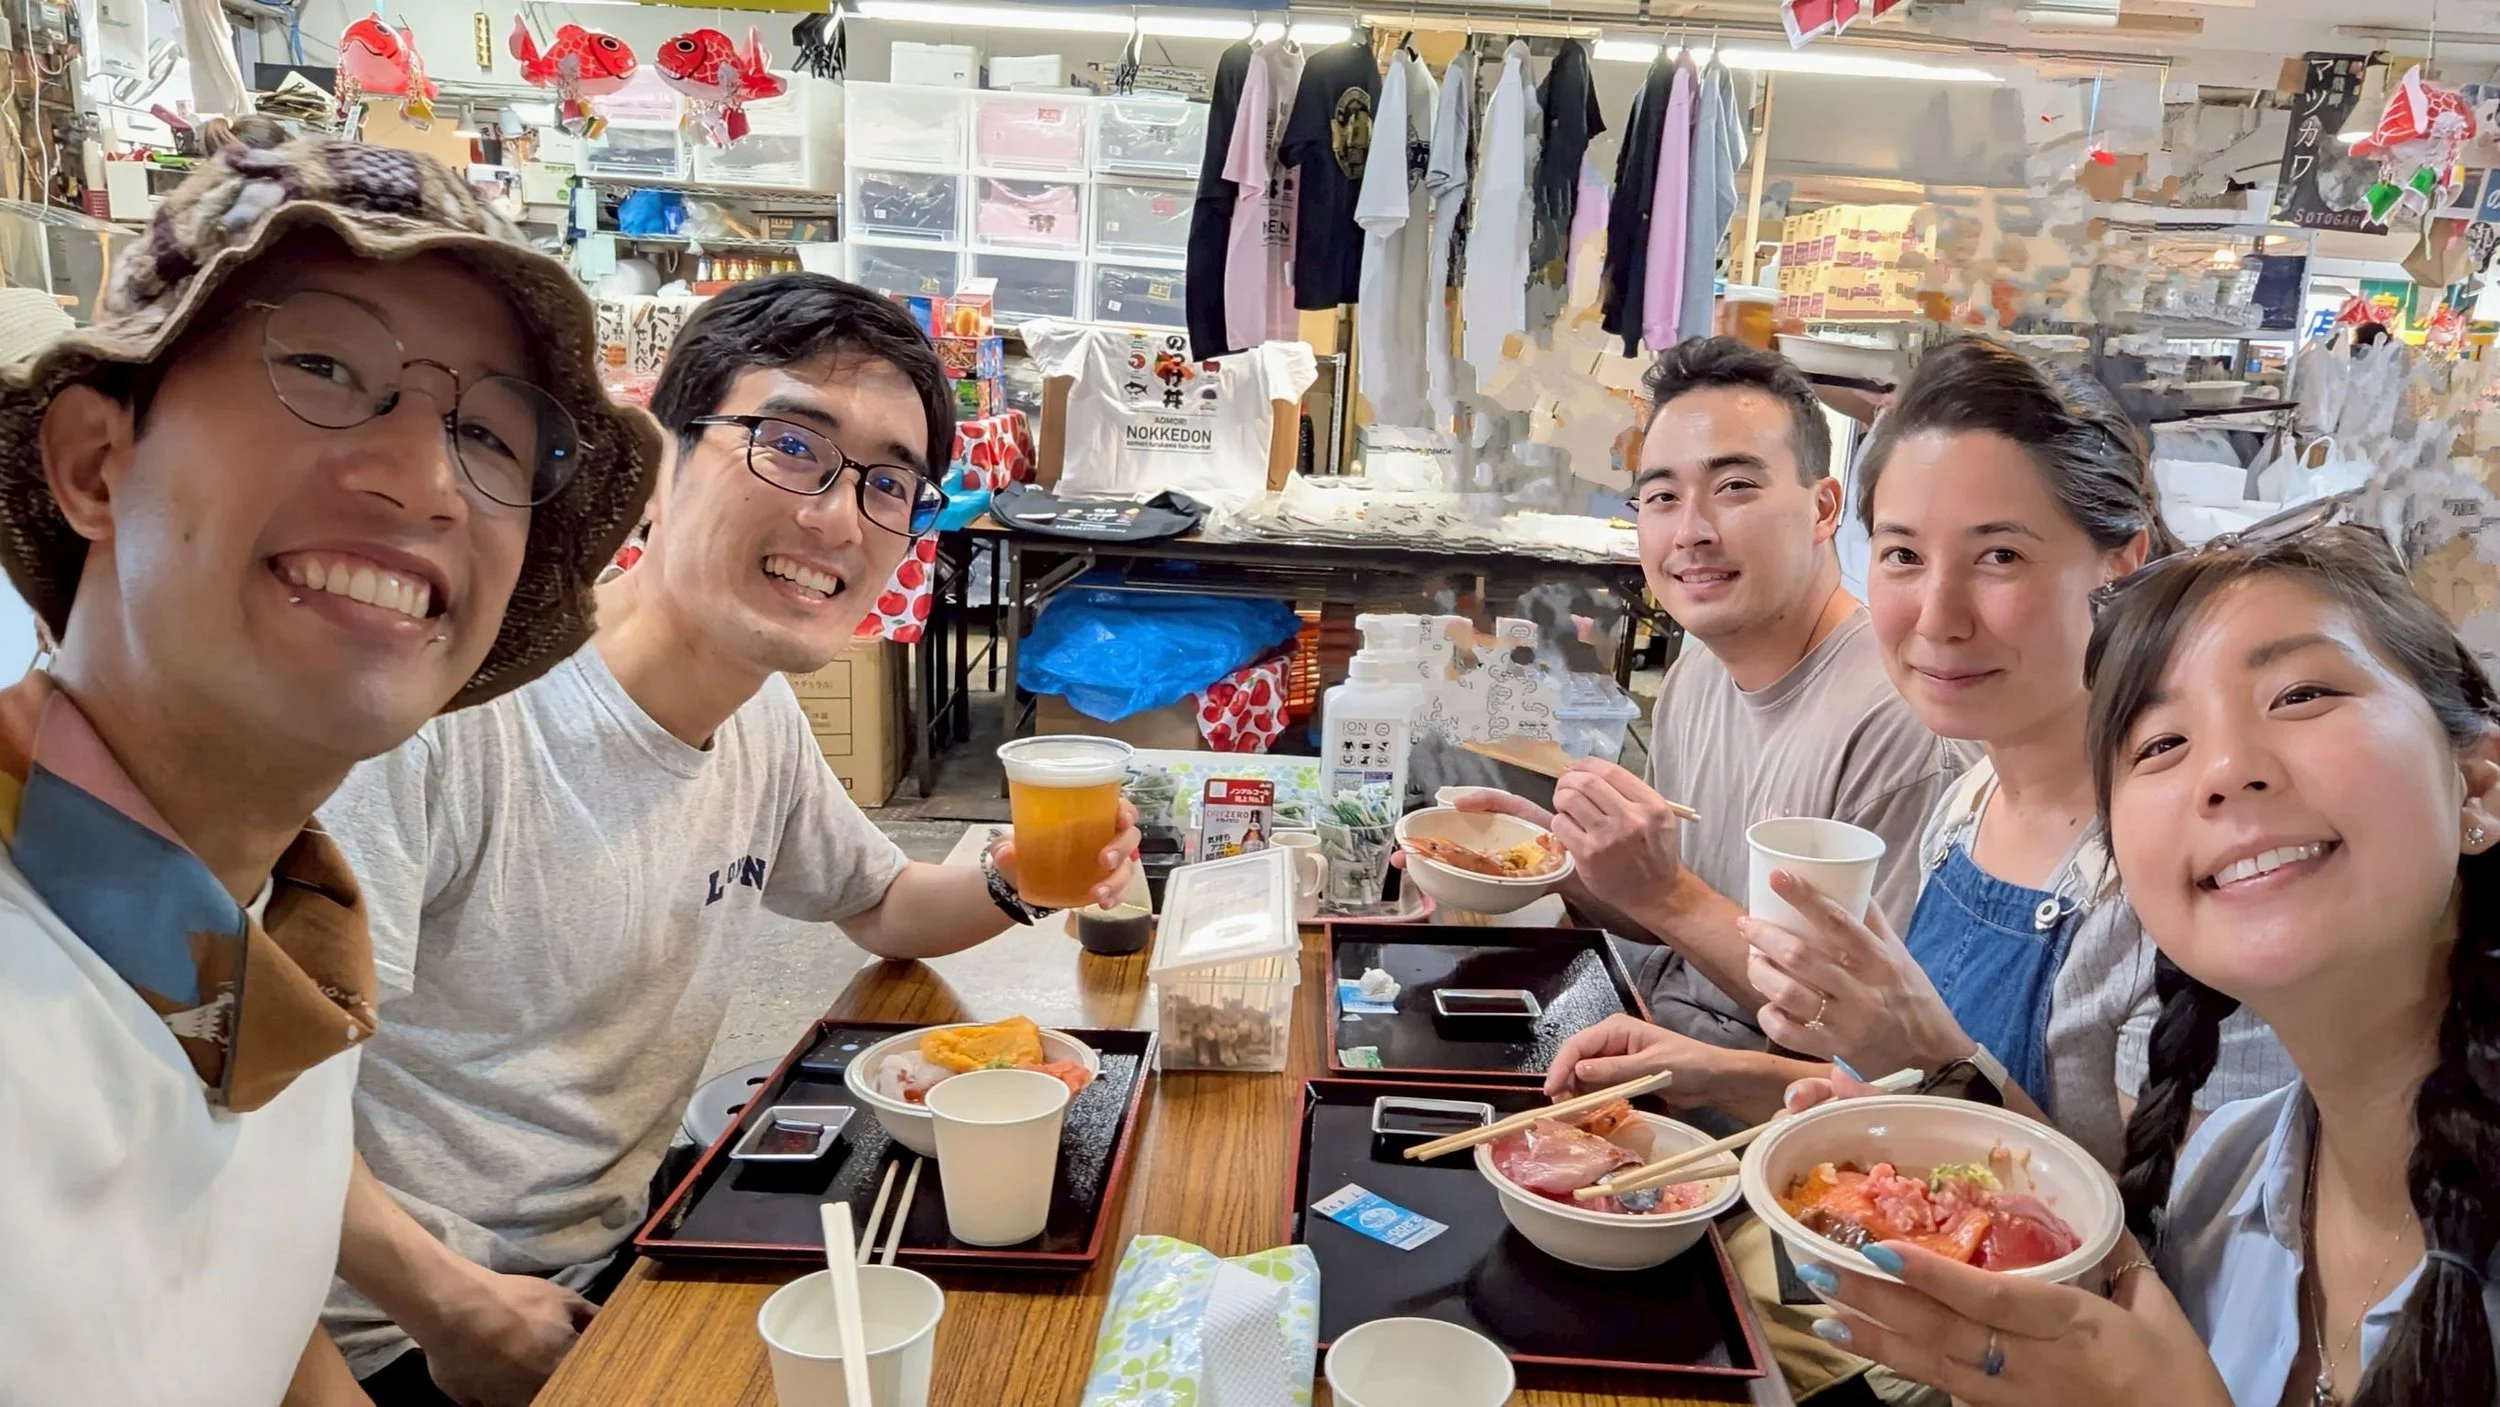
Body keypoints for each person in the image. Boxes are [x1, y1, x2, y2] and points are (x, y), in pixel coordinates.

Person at [321, 273, 1143, 1407]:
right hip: (409, 1326)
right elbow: (241, 1088)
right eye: (791, 444)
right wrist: (450, 1308)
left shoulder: (751, 708)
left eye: (888, 483)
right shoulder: (452, 713)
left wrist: (1017, 879)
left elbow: (880, 903)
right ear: (654, 456)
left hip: (627, 1241)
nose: (835, 516)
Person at [0, 139, 657, 1404]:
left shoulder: (266, 944)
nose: (420, 481)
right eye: (321, 368)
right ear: (95, 463)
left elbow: (246, 1301)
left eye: (489, 434)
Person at [1793, 516, 2500, 1404]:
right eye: (2162, 744)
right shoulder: (2225, 1180)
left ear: (2476, 784)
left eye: (2301, 694)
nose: (2227, 768)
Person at [1551, 340, 2292, 1167]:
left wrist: (1940, 1062)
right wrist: (1717, 1073)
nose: (1938, 617)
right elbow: (1891, 1097)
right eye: (1904, 555)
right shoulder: (1971, 802)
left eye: (1999, 555)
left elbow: (2170, 1269)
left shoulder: (2209, 865)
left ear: (2122, 561)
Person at [1462, 335, 1957, 1051]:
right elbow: (1679, 916)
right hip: (1647, 1028)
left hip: (1769, 1122)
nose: (1691, 531)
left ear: (1824, 510)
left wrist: (1665, 892)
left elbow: (1874, 1039)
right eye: (1662, 496)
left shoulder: (1902, 721)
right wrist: (1550, 860)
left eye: (1734, 488)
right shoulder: (1698, 670)